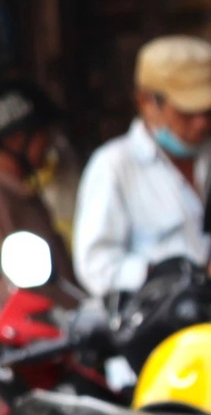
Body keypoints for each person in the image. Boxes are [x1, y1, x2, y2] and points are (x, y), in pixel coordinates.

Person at [72, 35, 211, 295]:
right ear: (147, 103)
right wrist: (179, 276)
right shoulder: (114, 166)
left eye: (208, 111)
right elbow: (96, 267)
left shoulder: (207, 157)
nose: (202, 123)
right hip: (160, 328)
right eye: (188, 111)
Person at [0, 81, 82, 312]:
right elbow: (0, 289)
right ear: (16, 139)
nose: (49, 142)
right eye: (43, 133)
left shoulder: (20, 192)